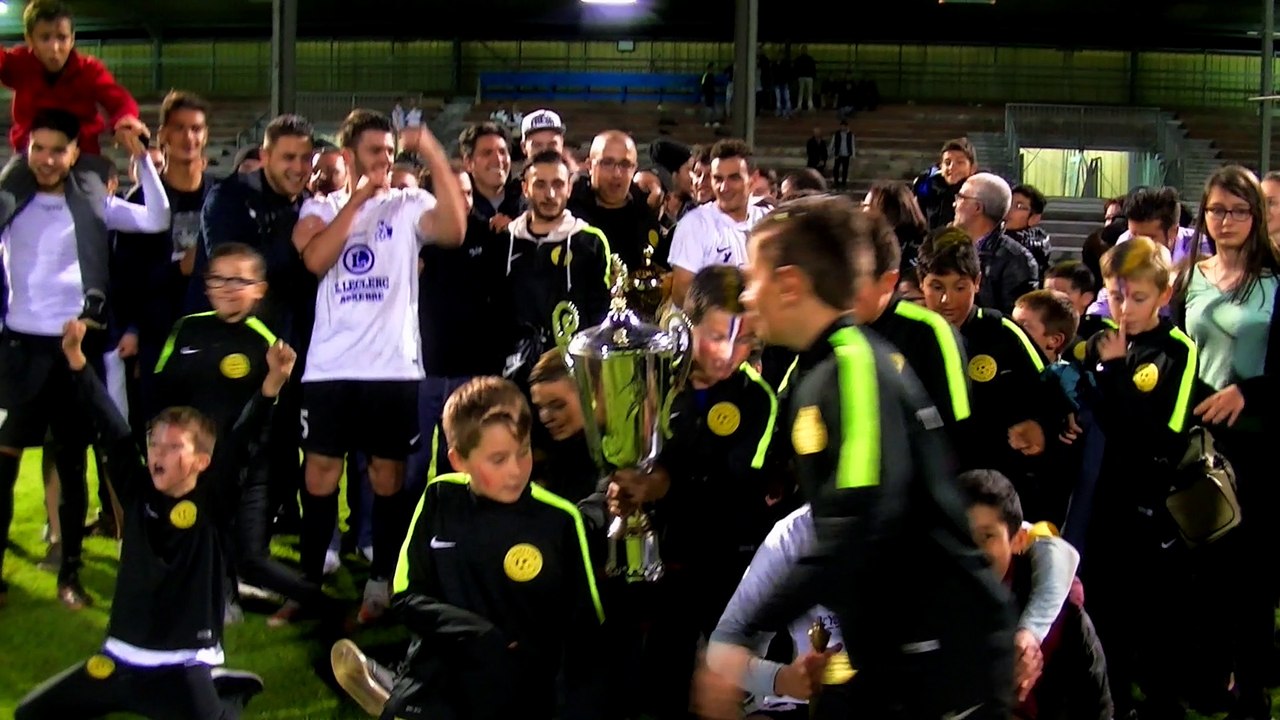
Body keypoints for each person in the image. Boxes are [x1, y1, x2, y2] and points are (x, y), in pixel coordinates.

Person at [699, 195, 1014, 719]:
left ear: (792, 284)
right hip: (893, 647)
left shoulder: (853, 369)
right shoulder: (818, 372)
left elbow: (860, 517)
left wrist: (749, 632)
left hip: (941, 652)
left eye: (753, 279)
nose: (747, 297)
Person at [13, 318, 295, 719]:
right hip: (119, 659)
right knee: (31, 713)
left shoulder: (215, 498)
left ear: (202, 460)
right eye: (153, 444)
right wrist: (76, 358)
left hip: (183, 662)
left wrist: (272, 385)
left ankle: (224, 691)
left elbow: (244, 437)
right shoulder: (136, 489)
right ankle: (204, 692)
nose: (158, 454)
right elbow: (109, 423)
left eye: (173, 446)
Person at [330, 376, 604, 720]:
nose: (516, 471)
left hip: (523, 694)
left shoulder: (560, 520)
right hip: (443, 682)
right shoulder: (440, 499)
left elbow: (584, 632)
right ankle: (400, 693)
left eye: (523, 452)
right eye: (498, 460)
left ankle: (389, 688)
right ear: (459, 460)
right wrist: (478, 635)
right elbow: (406, 594)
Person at [291, 109, 466, 623]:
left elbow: (454, 229)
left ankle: (379, 584)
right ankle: (307, 584)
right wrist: (359, 200)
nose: (384, 162)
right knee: (320, 473)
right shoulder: (319, 208)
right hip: (329, 369)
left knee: (388, 477)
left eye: (390, 153)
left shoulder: (409, 204)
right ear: (347, 157)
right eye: (374, 152)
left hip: (392, 369)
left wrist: (430, 149)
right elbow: (315, 260)